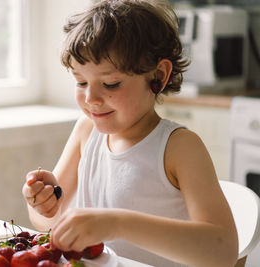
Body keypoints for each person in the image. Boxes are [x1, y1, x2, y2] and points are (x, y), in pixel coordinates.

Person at [22, 0, 238, 266]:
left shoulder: (179, 147)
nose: (91, 98)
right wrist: (42, 203)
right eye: (81, 81)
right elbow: (47, 222)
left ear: (158, 75)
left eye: (110, 83)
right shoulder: (86, 131)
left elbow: (223, 252)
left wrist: (117, 223)